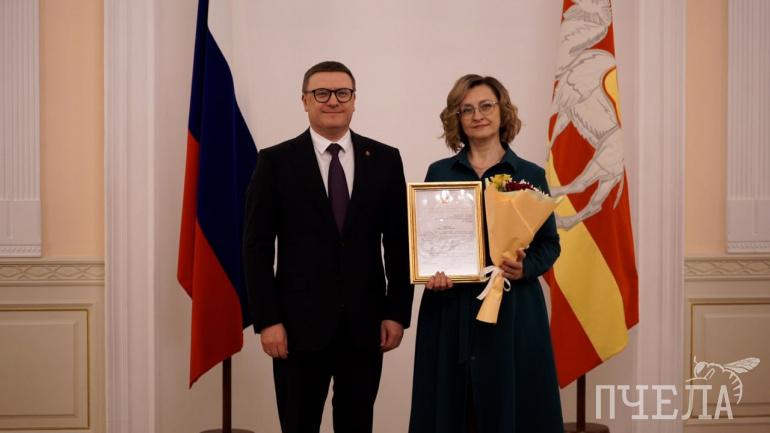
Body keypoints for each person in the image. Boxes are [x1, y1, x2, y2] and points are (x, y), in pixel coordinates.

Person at [242, 61, 413, 433]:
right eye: (321, 93)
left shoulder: (385, 159)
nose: (332, 101)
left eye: (342, 93)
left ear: (354, 100)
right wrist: (267, 320)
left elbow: (399, 243)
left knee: (357, 424)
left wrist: (397, 312)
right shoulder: (275, 162)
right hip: (296, 329)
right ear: (305, 101)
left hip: (365, 327)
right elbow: (256, 248)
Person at [408, 74, 564, 433]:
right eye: (467, 109)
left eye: (486, 106)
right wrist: (431, 271)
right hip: (449, 307)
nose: (477, 115)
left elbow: (550, 244)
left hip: (513, 309)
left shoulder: (530, 174)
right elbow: (427, 239)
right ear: (457, 118)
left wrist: (525, 267)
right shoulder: (439, 172)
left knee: (513, 406)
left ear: (502, 111)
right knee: (450, 406)